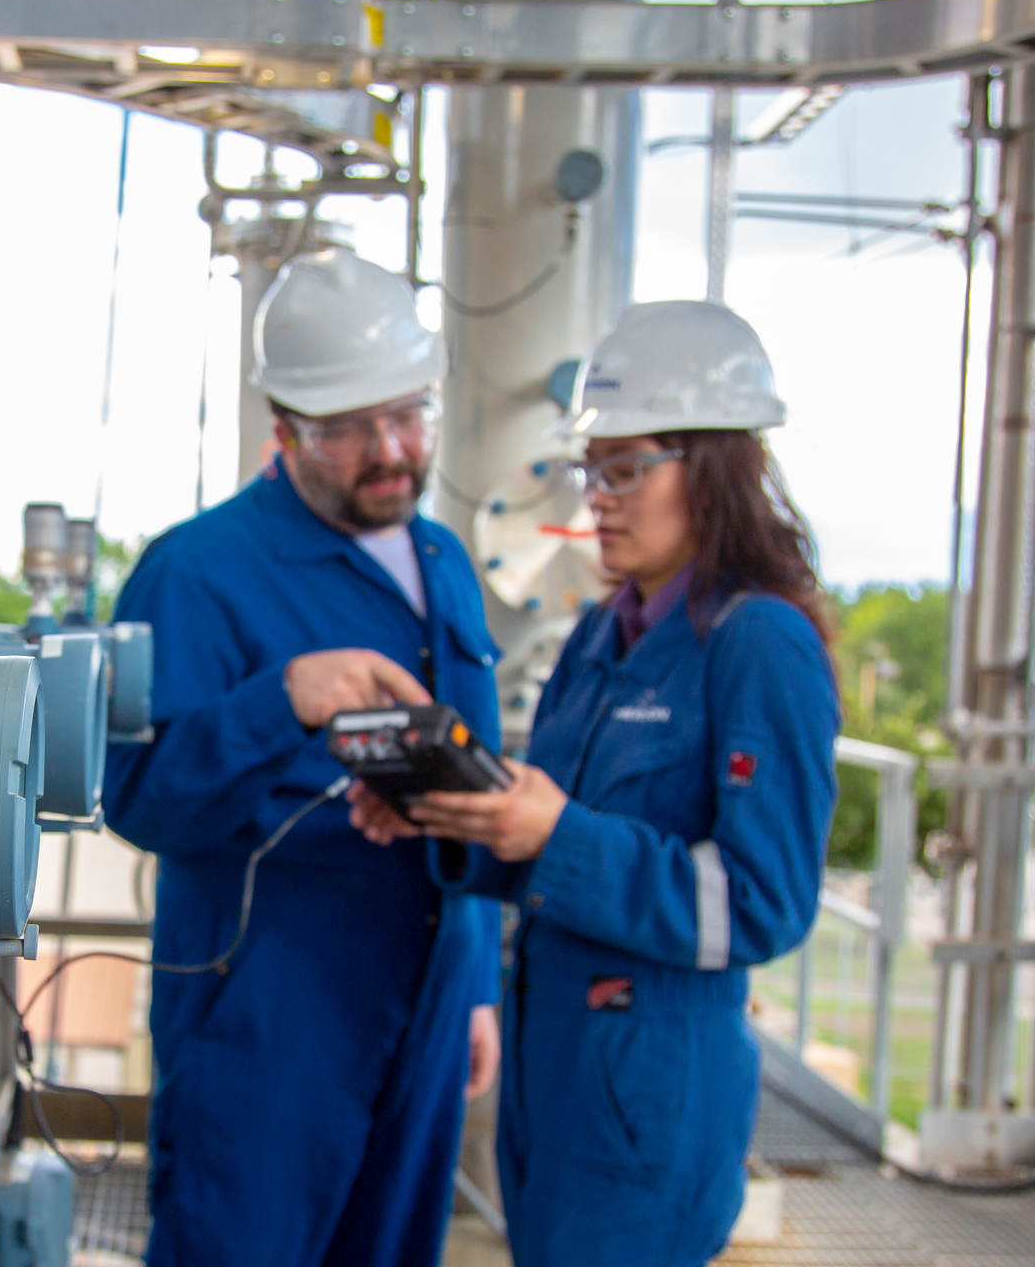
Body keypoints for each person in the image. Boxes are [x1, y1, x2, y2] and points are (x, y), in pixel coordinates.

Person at [350, 301, 840, 1267]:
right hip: (553, 1070)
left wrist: (558, 835)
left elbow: (763, 904)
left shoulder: (758, 643)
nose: (597, 501)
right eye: (591, 471)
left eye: (626, 471)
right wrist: (452, 818)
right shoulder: (599, 634)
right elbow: (547, 844)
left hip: (652, 1092)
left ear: (713, 469)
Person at [104, 248, 503, 1267]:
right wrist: (280, 699)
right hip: (269, 1005)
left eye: (408, 414)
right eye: (347, 428)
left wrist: (478, 985)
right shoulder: (195, 571)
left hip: (431, 987)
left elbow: (481, 775)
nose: (390, 450)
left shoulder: (446, 561)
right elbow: (139, 799)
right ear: (282, 427)